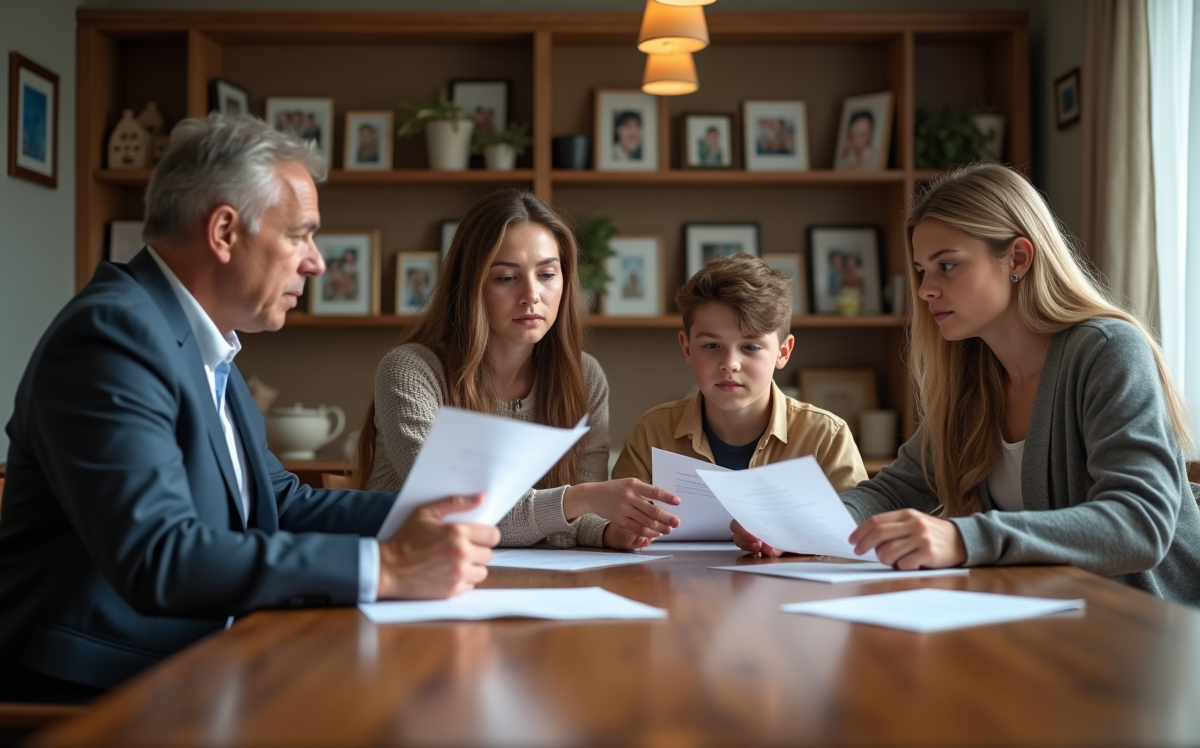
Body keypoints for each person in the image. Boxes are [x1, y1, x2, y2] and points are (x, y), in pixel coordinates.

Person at [0, 113, 500, 703]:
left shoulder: (203, 345)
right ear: (224, 232)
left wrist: (431, 511)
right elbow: (158, 555)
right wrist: (386, 567)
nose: (316, 262)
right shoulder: (112, 335)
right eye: (300, 235)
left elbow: (280, 505)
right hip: (97, 689)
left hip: (204, 659)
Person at [732, 165, 1200, 606]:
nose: (925, 290)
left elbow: (1141, 522)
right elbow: (894, 492)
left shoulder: (1107, 350)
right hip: (1049, 620)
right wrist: (802, 525)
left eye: (948, 266)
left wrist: (963, 537)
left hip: (1148, 628)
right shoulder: (974, 376)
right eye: (922, 270)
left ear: (1018, 258)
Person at [359, 188, 681, 549]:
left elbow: (577, 517)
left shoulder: (584, 376)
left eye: (547, 274)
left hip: (528, 575)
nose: (532, 295)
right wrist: (580, 498)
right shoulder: (411, 371)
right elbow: (456, 511)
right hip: (411, 569)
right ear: (470, 285)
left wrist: (608, 531)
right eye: (507, 277)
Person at [614, 254, 867, 495]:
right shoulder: (652, 433)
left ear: (783, 352)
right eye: (711, 345)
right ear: (687, 348)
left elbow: (856, 524)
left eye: (751, 347)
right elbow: (618, 519)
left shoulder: (826, 437)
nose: (730, 364)